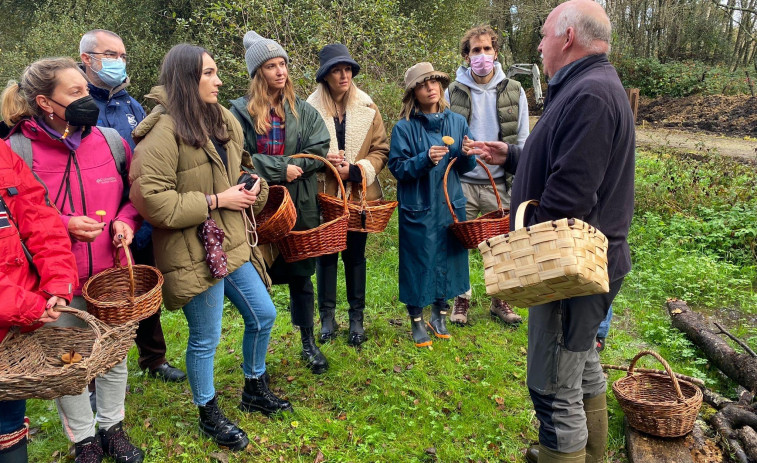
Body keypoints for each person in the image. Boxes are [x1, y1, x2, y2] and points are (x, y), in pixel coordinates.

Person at [473, 1, 634, 460]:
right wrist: (515, 155)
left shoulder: (591, 96)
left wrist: (525, 246)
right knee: (581, 367)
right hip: (589, 264)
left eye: (543, 35)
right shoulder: (588, 86)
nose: (539, 45)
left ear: (567, 38)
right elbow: (569, 161)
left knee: (553, 388)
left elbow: (571, 197)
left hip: (569, 269)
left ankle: (563, 453)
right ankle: (587, 455)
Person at [129, 43, 292, 451]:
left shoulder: (221, 120)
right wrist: (217, 201)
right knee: (206, 337)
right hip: (192, 251)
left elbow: (234, 170)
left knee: (264, 314)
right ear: (186, 79)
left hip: (231, 241)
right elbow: (151, 198)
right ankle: (208, 412)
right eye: (208, 74)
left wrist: (251, 186)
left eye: (216, 72)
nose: (218, 80)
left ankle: (254, 387)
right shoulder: (163, 131)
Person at [2, 57, 144, 463]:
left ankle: (113, 427)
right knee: (69, 364)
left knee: (114, 356)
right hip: (54, 286)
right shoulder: (19, 149)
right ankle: (85, 441)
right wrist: (64, 224)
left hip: (111, 276)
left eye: (86, 88)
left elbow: (132, 197)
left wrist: (124, 221)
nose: (88, 98)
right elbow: (21, 220)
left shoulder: (110, 140)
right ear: (46, 103)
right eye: (76, 92)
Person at [79, 29, 184, 382]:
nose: (118, 62)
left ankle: (153, 359)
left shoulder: (131, 105)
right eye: (110, 54)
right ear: (87, 59)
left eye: (122, 55)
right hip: (93, 217)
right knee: (101, 294)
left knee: (140, 282)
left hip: (136, 211)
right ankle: (98, 369)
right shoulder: (78, 105)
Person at [229, 31, 331, 373]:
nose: (280, 71)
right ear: (258, 73)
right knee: (259, 277)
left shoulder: (303, 110)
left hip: (299, 205)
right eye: (271, 66)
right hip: (257, 209)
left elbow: (319, 149)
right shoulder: (239, 112)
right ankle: (259, 350)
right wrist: (277, 168)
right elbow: (236, 158)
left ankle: (308, 341)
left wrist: (295, 168)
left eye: (283, 63)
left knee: (302, 275)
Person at [388, 62, 476, 348]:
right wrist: (425, 159)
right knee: (417, 261)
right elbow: (398, 168)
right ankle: (416, 319)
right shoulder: (404, 128)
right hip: (419, 205)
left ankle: (439, 315)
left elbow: (465, 167)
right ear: (413, 92)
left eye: (435, 82)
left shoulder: (457, 122)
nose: (431, 88)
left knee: (450, 259)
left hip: (449, 203)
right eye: (424, 84)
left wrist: (466, 154)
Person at [306, 44, 390, 346]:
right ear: (325, 76)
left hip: (358, 195)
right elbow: (301, 152)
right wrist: (326, 162)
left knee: (355, 255)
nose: (344, 75)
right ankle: (327, 318)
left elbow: (381, 149)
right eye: (336, 70)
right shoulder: (308, 109)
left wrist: (355, 171)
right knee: (326, 255)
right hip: (324, 193)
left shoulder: (368, 106)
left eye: (348, 69)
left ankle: (357, 319)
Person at [0, 141, 77, 463]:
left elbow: (38, 217)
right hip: (16, 311)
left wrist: (57, 282)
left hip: (10, 340)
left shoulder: (3, 154)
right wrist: (26, 306)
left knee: (9, 425)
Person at [446, 25, 528, 327]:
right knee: (458, 244)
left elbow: (522, 138)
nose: (482, 56)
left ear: (495, 52)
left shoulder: (514, 90)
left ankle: (499, 299)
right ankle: (461, 298)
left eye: (487, 49)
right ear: (466, 56)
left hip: (500, 183)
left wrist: (514, 162)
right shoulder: (451, 91)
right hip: (463, 181)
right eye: (475, 50)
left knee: (501, 245)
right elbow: (442, 135)